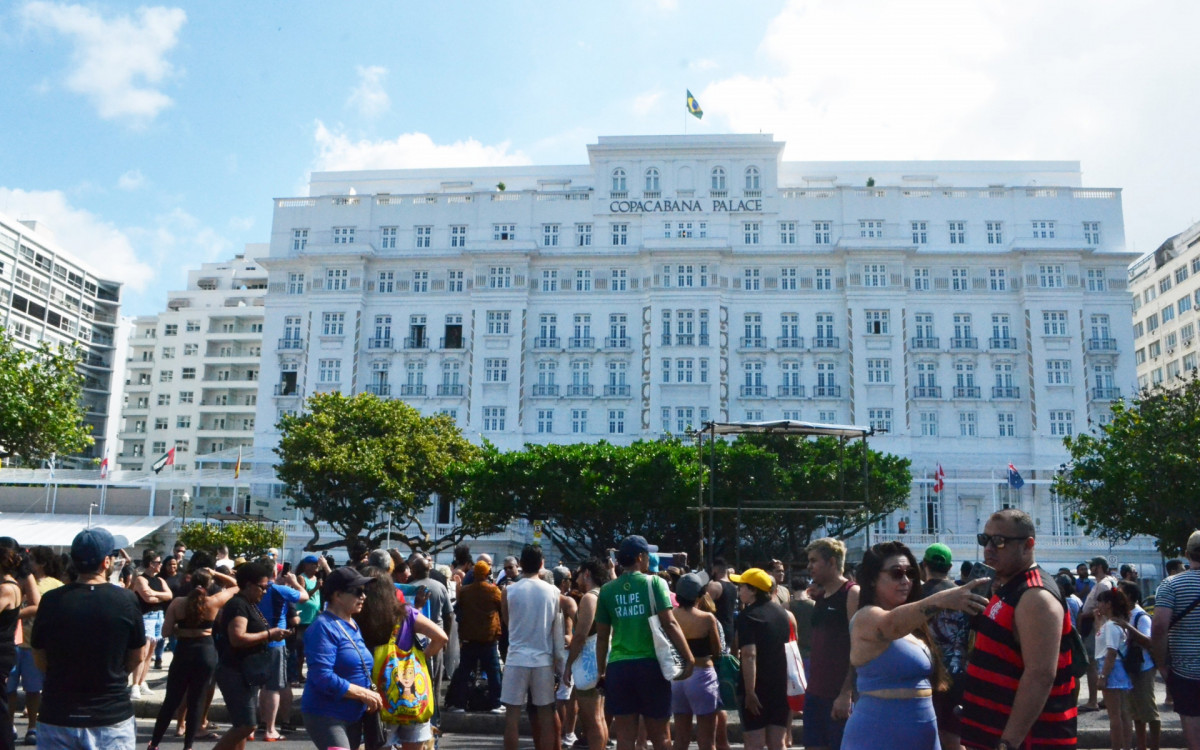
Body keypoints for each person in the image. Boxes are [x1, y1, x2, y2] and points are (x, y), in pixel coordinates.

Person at [843, 541, 989, 750]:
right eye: (896, 573)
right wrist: (942, 599)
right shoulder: (865, 617)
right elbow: (891, 625)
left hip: (922, 734)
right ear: (873, 579)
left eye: (910, 573)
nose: (906, 580)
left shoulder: (912, 624)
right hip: (878, 735)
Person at [960, 509, 1078, 750]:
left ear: (1028, 545)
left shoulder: (1036, 596)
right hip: (991, 735)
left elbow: (1040, 676)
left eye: (999, 541)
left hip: (1027, 741)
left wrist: (1007, 743)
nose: (988, 548)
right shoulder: (1009, 587)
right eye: (984, 539)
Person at [31, 528, 145, 750]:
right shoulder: (125, 600)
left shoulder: (52, 600)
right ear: (106, 562)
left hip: (58, 712)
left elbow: (39, 657)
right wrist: (115, 675)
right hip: (110, 713)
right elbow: (137, 655)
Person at [596, 535, 694, 750]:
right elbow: (670, 623)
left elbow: (602, 637)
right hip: (650, 665)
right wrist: (688, 658)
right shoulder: (655, 583)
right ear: (640, 557)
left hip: (618, 667)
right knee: (661, 737)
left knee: (624, 738)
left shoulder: (607, 590)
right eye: (648, 554)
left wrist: (601, 671)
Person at [147, 567, 239, 750]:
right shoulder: (213, 601)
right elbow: (235, 585)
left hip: (184, 651)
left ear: (190, 583)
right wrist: (215, 572)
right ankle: (188, 746)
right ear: (209, 584)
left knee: (171, 700)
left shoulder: (177, 603)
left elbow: (165, 632)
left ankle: (155, 743)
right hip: (205, 652)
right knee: (196, 700)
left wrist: (179, 629)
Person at [300, 567, 383, 750]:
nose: (363, 596)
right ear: (337, 595)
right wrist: (363, 693)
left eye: (365, 591)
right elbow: (322, 677)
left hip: (353, 715)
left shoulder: (352, 624)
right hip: (327, 714)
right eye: (357, 591)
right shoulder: (323, 627)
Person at [212, 561, 289, 750]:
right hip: (235, 671)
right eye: (262, 587)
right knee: (247, 725)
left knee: (241, 725)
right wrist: (269, 634)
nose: (265, 591)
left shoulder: (249, 604)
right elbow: (237, 638)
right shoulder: (238, 605)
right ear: (248, 585)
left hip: (247, 672)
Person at [501, 545, 564, 750]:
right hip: (543, 659)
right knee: (546, 716)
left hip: (516, 657)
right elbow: (556, 627)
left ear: (520, 564)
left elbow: (507, 622)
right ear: (542, 564)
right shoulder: (553, 591)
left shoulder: (508, 590)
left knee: (512, 717)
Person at [804, 537, 859, 750]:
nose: (809, 566)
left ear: (832, 562)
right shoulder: (822, 595)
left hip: (838, 695)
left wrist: (846, 693)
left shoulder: (851, 593)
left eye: (814, 560)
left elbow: (858, 647)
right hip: (814, 692)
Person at [7, 545, 63, 746]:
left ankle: (32, 726)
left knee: (33, 689)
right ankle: (9, 725)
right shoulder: (15, 580)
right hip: (15, 641)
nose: (28, 563)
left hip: (35, 643)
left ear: (42, 564)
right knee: (9, 689)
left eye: (32, 560)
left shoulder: (55, 585)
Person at [729, 568, 790, 750]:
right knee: (777, 743)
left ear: (753, 590)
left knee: (754, 743)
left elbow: (749, 655)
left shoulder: (748, 616)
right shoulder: (782, 614)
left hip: (757, 687)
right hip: (780, 686)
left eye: (742, 587)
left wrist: (749, 692)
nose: (739, 591)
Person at [1151, 529, 1200, 750]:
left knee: (1191, 720)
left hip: (1184, 670)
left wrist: (1161, 663)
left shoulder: (1171, 585)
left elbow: (1159, 627)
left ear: (1186, 554)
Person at [920, 543, 972, 750]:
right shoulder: (964, 594)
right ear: (950, 567)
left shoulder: (915, 596)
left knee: (926, 736)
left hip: (925, 675)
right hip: (959, 674)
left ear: (924, 565)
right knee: (954, 739)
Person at [670, 573, 723, 750]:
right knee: (707, 741)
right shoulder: (707, 618)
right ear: (699, 595)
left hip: (677, 677)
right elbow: (717, 650)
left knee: (680, 738)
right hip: (702, 675)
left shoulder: (670, 616)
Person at [256, 566, 308, 741]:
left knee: (263, 686)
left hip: (256, 640)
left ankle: (262, 722)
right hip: (276, 641)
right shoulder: (280, 590)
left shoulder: (253, 590)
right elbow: (304, 597)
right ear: (273, 573)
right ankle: (270, 729)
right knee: (274, 686)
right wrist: (295, 583)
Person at [446, 559, 505, 712]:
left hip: (469, 637)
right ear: (487, 574)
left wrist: (459, 587)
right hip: (488, 637)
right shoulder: (493, 590)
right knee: (493, 671)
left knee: (464, 671)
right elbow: (502, 608)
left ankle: (459, 703)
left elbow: (459, 606)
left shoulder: (465, 591)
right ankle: (496, 703)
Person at [564, 559, 610, 750]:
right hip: (602, 658)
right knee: (599, 716)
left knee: (592, 719)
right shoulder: (604, 594)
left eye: (578, 574)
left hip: (589, 662)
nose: (576, 579)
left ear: (587, 573)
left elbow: (581, 635)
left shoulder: (590, 598)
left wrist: (568, 665)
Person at [1113, 580, 1159, 750]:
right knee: (1136, 713)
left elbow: (1148, 641)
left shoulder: (1140, 616)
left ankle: (1154, 746)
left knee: (1149, 711)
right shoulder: (1126, 614)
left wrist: (1127, 627)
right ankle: (1141, 746)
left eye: (1120, 592)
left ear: (1130, 596)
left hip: (1143, 667)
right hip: (1131, 668)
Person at [1095, 587, 1134, 750]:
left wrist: (1103, 676)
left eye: (1101, 603)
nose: (1098, 606)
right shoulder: (1114, 624)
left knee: (1115, 716)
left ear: (1108, 604)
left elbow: (1110, 652)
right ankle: (1126, 746)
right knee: (1123, 713)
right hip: (1118, 669)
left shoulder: (1111, 625)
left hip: (1110, 669)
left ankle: (1117, 746)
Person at [1079, 555, 1119, 713]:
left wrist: (1085, 615)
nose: (1090, 568)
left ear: (1100, 566)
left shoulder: (1103, 584)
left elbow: (1103, 607)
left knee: (1092, 664)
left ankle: (1093, 700)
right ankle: (1103, 698)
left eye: (1093, 565)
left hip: (1096, 624)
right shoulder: (1107, 582)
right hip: (1098, 623)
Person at [131, 550, 172, 698]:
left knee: (150, 653)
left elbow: (169, 595)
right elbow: (147, 598)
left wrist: (155, 594)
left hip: (158, 616)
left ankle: (142, 681)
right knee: (143, 652)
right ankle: (135, 685)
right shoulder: (141, 579)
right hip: (146, 616)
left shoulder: (160, 580)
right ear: (151, 564)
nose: (160, 565)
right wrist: (159, 596)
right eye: (158, 562)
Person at [705, 558, 738, 652]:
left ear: (715, 569)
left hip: (716, 631)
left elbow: (704, 607)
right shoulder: (733, 587)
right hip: (729, 629)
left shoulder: (715, 586)